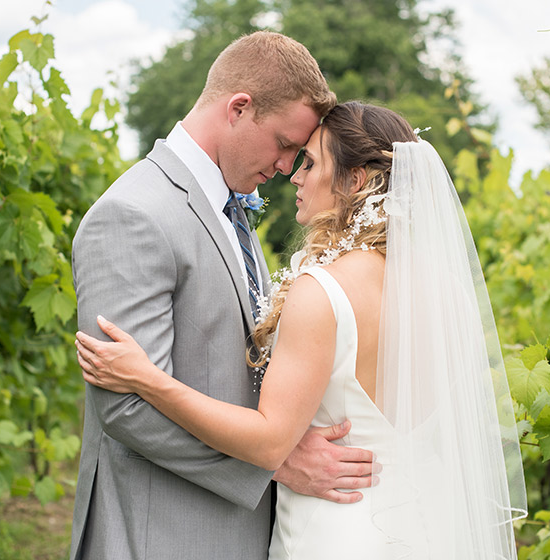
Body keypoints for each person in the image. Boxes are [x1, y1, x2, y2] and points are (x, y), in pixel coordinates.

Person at [76, 102, 528, 558]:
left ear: (355, 181)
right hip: (425, 527)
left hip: (336, 527)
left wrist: (148, 379)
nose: (293, 175)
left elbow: (272, 440)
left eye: (310, 162)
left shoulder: (322, 291)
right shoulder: (447, 290)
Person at [68, 32, 378, 560]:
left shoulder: (233, 209)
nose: (286, 168)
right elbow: (124, 408)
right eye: (284, 144)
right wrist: (273, 461)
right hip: (163, 534)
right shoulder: (132, 214)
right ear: (239, 108)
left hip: (243, 532)